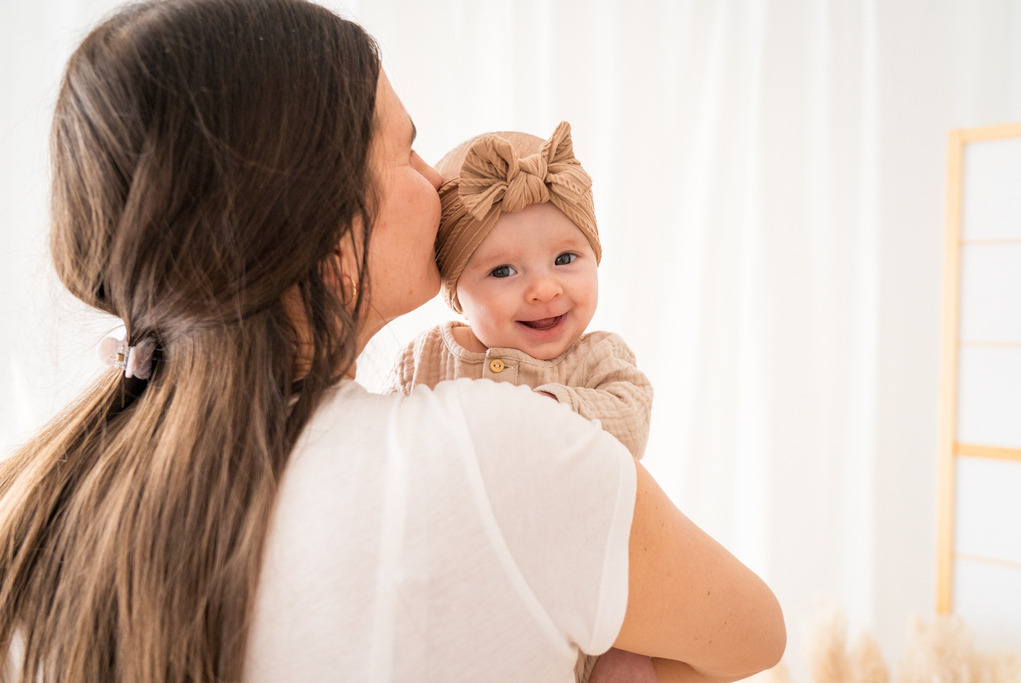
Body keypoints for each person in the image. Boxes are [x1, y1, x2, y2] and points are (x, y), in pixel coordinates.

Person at [0, 1, 786, 682]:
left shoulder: (35, 505)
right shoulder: (497, 453)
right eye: (405, 150)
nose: (437, 180)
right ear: (336, 244)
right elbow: (754, 632)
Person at [384, 122, 655, 682]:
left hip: (579, 578)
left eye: (566, 258)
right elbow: (386, 444)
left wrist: (559, 411)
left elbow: (631, 418)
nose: (544, 289)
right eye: (504, 271)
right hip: (462, 582)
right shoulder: (426, 358)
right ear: (456, 294)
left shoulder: (598, 359)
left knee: (629, 655)